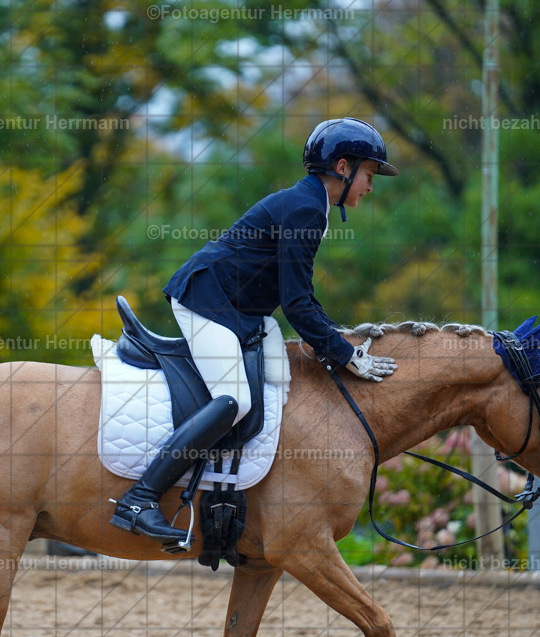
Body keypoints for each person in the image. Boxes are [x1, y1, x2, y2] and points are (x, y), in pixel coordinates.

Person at [109, 117, 400, 544]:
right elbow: (297, 303)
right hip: (206, 301)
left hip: (237, 310)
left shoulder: (310, 205)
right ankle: (140, 499)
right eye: (370, 175)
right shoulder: (305, 209)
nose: (371, 186)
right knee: (235, 400)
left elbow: (300, 297)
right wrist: (346, 354)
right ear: (343, 167)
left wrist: (337, 341)